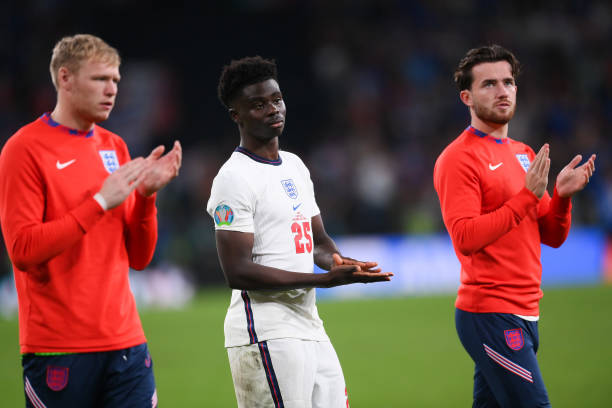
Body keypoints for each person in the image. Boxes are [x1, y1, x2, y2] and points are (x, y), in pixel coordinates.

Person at [0, 34, 182, 407]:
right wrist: (99, 202)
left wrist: (146, 198)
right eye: (100, 79)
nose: (112, 89)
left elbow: (140, 258)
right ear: (65, 79)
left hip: (127, 343)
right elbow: (22, 249)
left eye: (115, 80)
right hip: (59, 350)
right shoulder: (24, 149)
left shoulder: (114, 147)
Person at [207, 56, 393, 408]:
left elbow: (318, 242)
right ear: (237, 116)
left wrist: (340, 263)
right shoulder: (234, 178)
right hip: (265, 330)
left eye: (276, 99)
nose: (272, 109)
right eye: (258, 105)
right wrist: (323, 281)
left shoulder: (294, 165)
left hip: (308, 323)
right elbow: (237, 271)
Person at [433, 44, 596, 407]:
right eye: (489, 84)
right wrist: (526, 197)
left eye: (508, 82)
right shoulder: (458, 158)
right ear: (467, 97)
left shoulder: (523, 153)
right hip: (490, 313)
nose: (502, 90)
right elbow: (465, 238)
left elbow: (551, 236)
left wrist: (562, 197)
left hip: (526, 310)